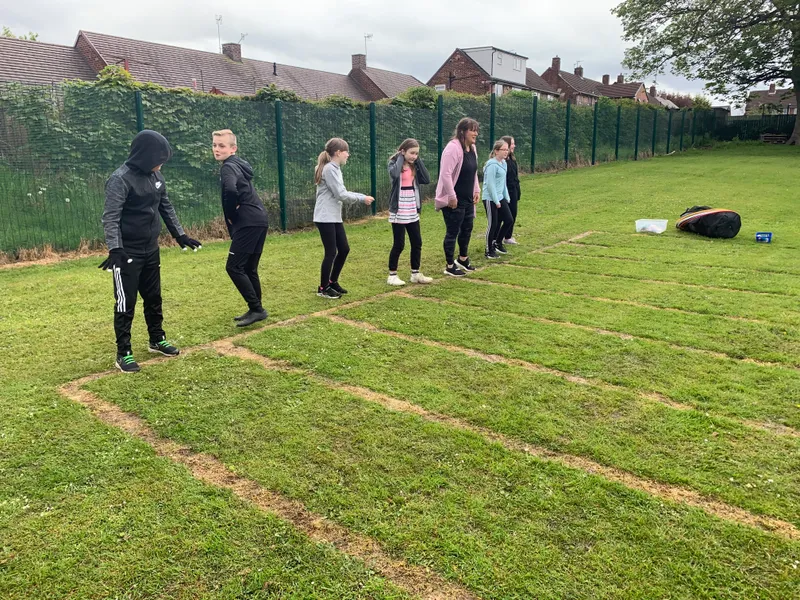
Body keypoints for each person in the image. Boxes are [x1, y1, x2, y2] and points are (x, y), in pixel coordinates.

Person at [99, 129, 202, 373]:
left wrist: (180, 235)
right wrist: (115, 250)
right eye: (159, 160)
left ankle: (157, 339)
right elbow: (110, 218)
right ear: (145, 156)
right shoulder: (120, 179)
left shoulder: (157, 177)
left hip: (150, 250)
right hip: (127, 253)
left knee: (154, 297)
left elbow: (165, 206)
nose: (161, 165)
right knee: (126, 302)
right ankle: (123, 353)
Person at [212, 129, 269, 327]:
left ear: (233, 149)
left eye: (222, 146)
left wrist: (232, 215)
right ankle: (256, 308)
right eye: (214, 145)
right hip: (259, 218)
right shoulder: (239, 165)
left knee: (234, 267)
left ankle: (257, 308)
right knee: (249, 267)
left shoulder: (228, 167)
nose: (217, 149)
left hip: (248, 221)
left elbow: (229, 189)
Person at [313, 137, 374, 298]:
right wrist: (362, 198)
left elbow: (342, 191)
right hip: (325, 217)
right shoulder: (329, 169)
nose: (348, 155)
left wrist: (362, 196)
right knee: (331, 252)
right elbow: (340, 194)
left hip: (333, 217)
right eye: (346, 152)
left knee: (344, 249)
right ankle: (323, 288)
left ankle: (332, 282)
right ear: (338, 153)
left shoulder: (334, 168)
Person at [435, 118, 481, 276]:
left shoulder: (472, 148)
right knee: (452, 232)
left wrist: (476, 189)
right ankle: (449, 266)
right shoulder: (452, 148)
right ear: (462, 131)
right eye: (472, 130)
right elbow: (445, 174)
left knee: (467, 229)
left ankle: (462, 259)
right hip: (453, 201)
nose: (476, 133)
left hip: (468, 198)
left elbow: (473, 172)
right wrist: (452, 196)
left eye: (476, 130)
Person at [386, 138, 433, 285]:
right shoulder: (394, 163)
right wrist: (400, 157)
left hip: (412, 205)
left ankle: (415, 273)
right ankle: (392, 275)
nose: (414, 156)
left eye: (416, 154)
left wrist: (417, 162)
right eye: (412, 153)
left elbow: (426, 179)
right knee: (399, 244)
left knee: (417, 241)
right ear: (403, 151)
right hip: (399, 207)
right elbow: (394, 175)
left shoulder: (415, 165)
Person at [483, 139, 513, 259]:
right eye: (503, 150)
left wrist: (506, 197)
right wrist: (496, 201)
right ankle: (488, 250)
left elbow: (503, 182)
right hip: (490, 198)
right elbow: (490, 185)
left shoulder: (503, 163)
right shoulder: (491, 165)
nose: (506, 152)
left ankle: (497, 243)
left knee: (509, 220)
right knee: (493, 224)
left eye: (507, 150)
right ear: (496, 151)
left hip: (500, 197)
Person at [501, 135, 520, 245]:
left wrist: (517, 190)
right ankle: (496, 237)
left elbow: (515, 176)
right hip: (504, 191)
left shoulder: (512, 158)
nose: (514, 146)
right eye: (512, 143)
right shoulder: (502, 161)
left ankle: (508, 236)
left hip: (513, 190)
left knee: (513, 213)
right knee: (504, 216)